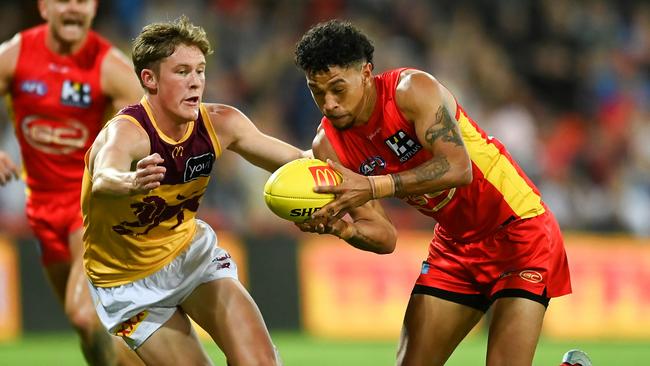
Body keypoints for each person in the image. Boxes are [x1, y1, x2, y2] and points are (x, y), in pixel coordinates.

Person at [294, 20, 573, 366]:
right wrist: (344, 229)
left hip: (519, 230)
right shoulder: (328, 144)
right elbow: (385, 237)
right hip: (456, 246)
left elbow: (459, 168)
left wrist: (374, 185)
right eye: (316, 91)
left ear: (366, 73)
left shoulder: (411, 90)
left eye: (338, 88)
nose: (329, 103)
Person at [83, 16, 307, 365]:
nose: (196, 82)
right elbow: (103, 177)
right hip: (129, 284)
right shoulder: (127, 132)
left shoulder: (220, 123)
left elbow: (297, 160)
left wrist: (354, 171)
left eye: (200, 71)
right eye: (182, 71)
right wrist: (131, 181)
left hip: (191, 256)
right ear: (149, 79)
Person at [0, 1, 143, 365]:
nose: (74, 8)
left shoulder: (111, 67)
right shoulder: (15, 55)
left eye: (83, 0)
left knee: (83, 313)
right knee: (89, 329)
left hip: (93, 206)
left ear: (94, 8)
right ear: (44, 6)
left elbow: (151, 129)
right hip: (42, 209)